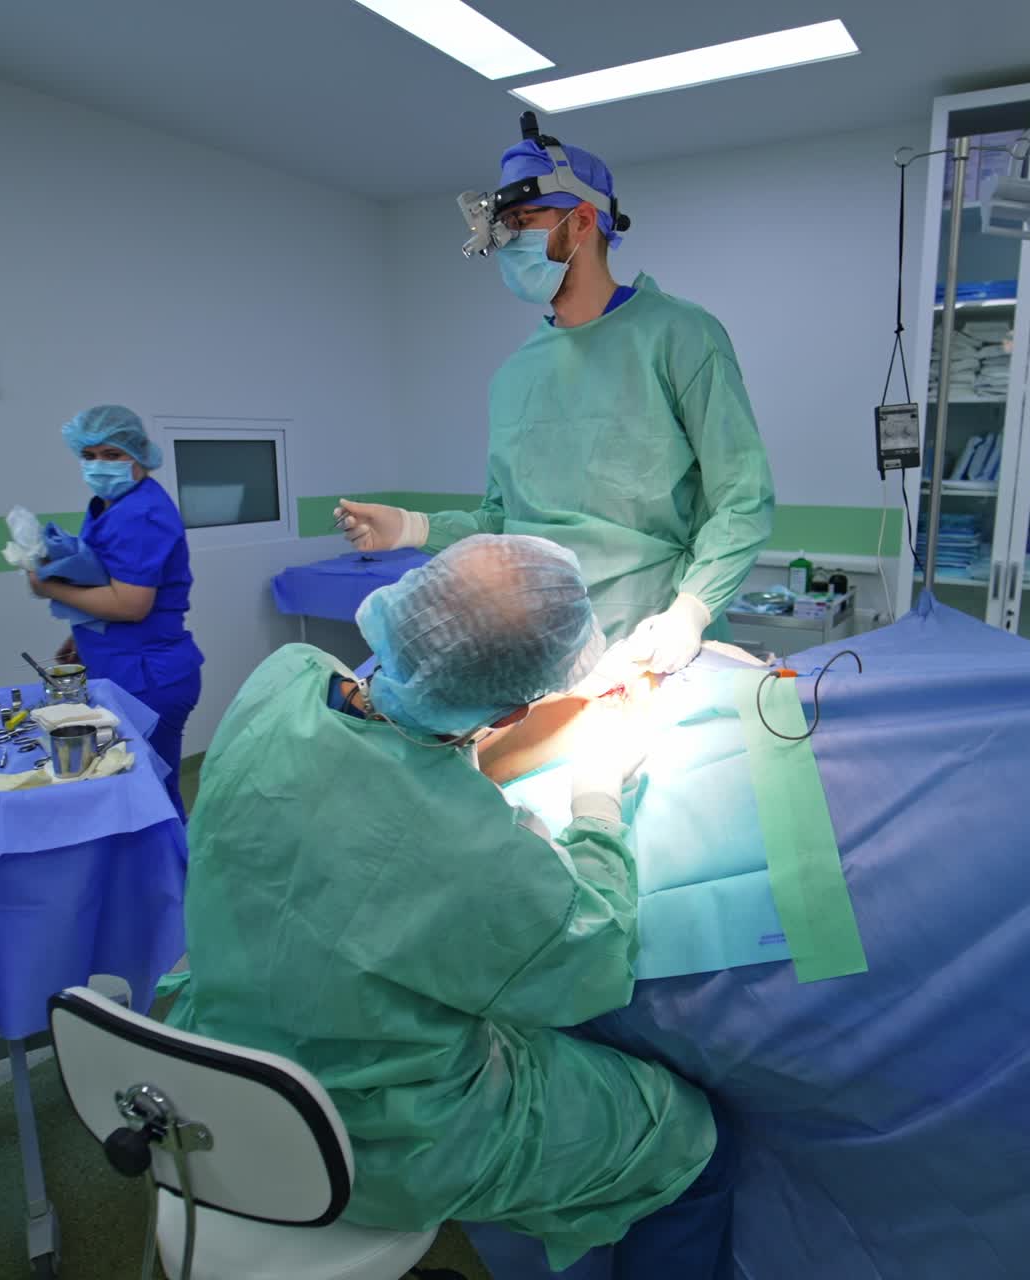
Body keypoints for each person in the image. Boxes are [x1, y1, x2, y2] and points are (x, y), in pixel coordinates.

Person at [166, 534, 734, 1276]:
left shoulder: (282, 680)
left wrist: (526, 696)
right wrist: (596, 796)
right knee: (690, 1138)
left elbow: (399, 732)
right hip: (371, 1140)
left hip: (216, 1067)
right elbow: (591, 958)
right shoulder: (474, 852)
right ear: (508, 707)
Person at [336, 127, 775, 676]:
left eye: (524, 221)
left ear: (583, 220)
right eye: (507, 227)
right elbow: (505, 524)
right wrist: (412, 528)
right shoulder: (515, 375)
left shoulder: (680, 336)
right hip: (539, 647)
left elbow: (742, 498)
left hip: (653, 645)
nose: (510, 239)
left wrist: (691, 610)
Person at [27, 405, 203, 818]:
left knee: (149, 795)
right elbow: (107, 581)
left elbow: (131, 604)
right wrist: (84, 633)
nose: (98, 465)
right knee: (139, 789)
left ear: (138, 455)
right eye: (88, 456)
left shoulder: (142, 512)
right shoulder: (111, 504)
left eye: (111, 455)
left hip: (149, 675)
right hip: (126, 663)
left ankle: (174, 880)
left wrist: (46, 586)